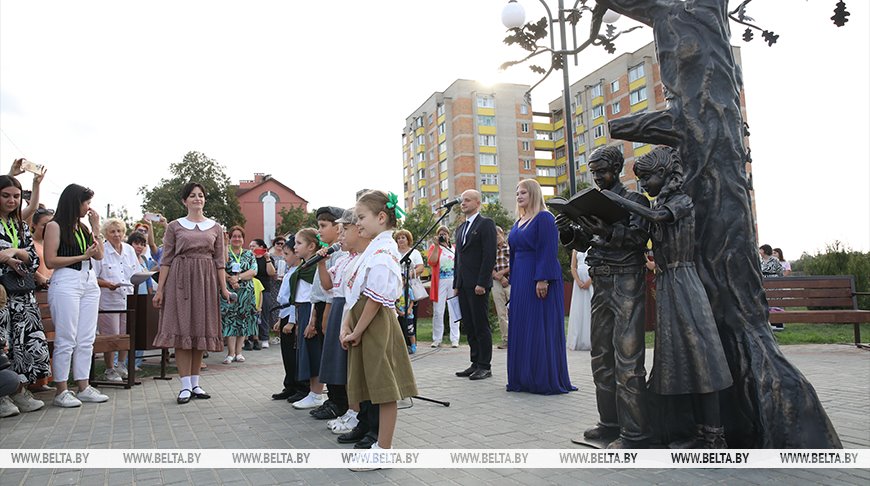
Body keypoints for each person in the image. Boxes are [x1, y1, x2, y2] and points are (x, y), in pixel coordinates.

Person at [603, 146, 733, 448]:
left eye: (647, 178)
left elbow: (658, 216)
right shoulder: (663, 199)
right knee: (681, 360)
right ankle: (695, 430)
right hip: (667, 284)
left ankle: (715, 435)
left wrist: (618, 199)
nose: (644, 186)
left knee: (701, 357)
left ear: (664, 174)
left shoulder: (681, 201)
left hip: (684, 281)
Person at [556, 145, 651, 448]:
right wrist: (569, 232)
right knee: (601, 358)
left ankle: (635, 432)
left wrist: (609, 232)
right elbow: (587, 243)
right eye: (593, 171)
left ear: (617, 168)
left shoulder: (634, 200)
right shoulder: (594, 201)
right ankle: (609, 423)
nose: (597, 176)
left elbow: (639, 239)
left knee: (628, 360)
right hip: (601, 282)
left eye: (601, 170)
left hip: (626, 280)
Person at [340, 190, 418, 455]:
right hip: (366, 322)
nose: (357, 223)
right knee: (376, 385)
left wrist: (357, 330)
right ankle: (380, 443)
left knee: (385, 388)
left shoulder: (384, 250)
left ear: (381, 217)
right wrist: (348, 325)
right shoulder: (375, 247)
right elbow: (357, 294)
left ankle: (385, 448)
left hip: (375, 324)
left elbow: (375, 299)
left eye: (362, 217)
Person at [152, 182, 230, 404]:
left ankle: (196, 383)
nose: (198, 198)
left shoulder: (215, 227)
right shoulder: (175, 226)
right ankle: (184, 385)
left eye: (201, 195)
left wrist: (223, 288)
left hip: (205, 281)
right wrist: (160, 290)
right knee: (182, 328)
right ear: (184, 201)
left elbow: (219, 261)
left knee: (200, 331)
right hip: (180, 280)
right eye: (193, 196)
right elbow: (165, 260)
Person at [506, 179, 574, 394]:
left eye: (523, 192)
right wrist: (513, 281)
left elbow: (548, 250)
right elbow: (514, 254)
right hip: (520, 279)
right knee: (522, 326)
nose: (519, 196)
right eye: (517, 192)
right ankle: (523, 378)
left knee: (538, 327)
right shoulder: (519, 221)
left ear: (534, 194)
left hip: (538, 278)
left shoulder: (544, 218)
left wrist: (542, 279)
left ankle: (542, 378)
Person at [43, 183, 108, 407]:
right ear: (75, 202)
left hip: (88, 280)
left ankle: (83, 386)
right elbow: (51, 260)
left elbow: (98, 255)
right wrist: (81, 257)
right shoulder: (54, 225)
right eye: (86, 202)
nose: (88, 207)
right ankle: (61, 389)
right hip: (66, 281)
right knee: (66, 337)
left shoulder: (83, 228)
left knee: (86, 337)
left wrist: (96, 228)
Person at [0, 175, 50, 413]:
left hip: (22, 294)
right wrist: (6, 257)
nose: (12, 201)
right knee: (4, 343)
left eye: (16, 196)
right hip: (1, 295)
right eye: (6, 195)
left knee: (26, 343)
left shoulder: (19, 224)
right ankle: (3, 395)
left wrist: (16, 251)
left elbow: (32, 257)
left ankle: (20, 391)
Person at [320, 209, 362, 432]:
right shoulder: (345, 260)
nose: (341, 235)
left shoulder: (362, 259)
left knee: (351, 366)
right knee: (342, 364)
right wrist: (320, 263)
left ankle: (356, 411)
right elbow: (328, 285)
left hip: (350, 309)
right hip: (340, 308)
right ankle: (351, 410)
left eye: (345, 230)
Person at [453, 190, 497, 380]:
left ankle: (485, 365)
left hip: (478, 284)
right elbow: (458, 258)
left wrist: (482, 282)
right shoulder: (461, 228)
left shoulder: (486, 224)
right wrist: (456, 283)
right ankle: (474, 362)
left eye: (468, 200)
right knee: (469, 325)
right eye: (462, 200)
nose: (463, 203)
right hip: (463, 284)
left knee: (480, 325)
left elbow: (489, 255)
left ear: (478, 202)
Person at [307, 206, 344, 419]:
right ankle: (333, 399)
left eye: (323, 226)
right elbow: (317, 287)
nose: (319, 230)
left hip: (332, 307)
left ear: (337, 227)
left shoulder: (338, 253)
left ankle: (339, 402)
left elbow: (332, 288)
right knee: (326, 356)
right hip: (322, 306)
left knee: (333, 357)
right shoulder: (327, 251)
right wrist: (315, 315)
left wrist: (325, 313)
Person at [93, 218, 138, 382]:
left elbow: (136, 272)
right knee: (111, 336)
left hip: (128, 298)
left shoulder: (129, 250)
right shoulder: (101, 251)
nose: (117, 235)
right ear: (106, 234)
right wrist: (107, 284)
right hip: (108, 301)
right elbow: (93, 278)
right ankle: (109, 369)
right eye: (112, 232)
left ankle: (121, 365)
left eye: (119, 231)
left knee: (125, 334)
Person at [271, 235, 309, 404]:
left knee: (294, 354)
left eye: (287, 254)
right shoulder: (289, 272)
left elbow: (295, 300)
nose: (284, 258)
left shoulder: (299, 272)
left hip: (293, 317)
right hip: (285, 314)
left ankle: (301, 386)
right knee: (286, 354)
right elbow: (284, 298)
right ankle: (290, 385)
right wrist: (281, 319)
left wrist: (292, 321)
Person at [289, 228, 324, 410]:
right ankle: (312, 392)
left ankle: (317, 393)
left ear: (311, 246)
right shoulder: (304, 265)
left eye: (299, 243)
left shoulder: (313, 267)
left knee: (313, 353)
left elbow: (314, 295)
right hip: (302, 310)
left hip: (310, 311)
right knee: (306, 352)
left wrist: (312, 320)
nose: (295, 247)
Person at [221, 226, 258, 364]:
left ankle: (239, 352)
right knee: (230, 321)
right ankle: (230, 353)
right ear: (230, 238)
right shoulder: (225, 252)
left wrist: (239, 278)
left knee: (244, 320)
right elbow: (220, 268)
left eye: (239, 236)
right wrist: (230, 279)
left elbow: (254, 270)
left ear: (243, 239)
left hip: (245, 293)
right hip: (229, 292)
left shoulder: (249, 254)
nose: (237, 239)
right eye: (234, 236)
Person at [394, 229, 423, 353]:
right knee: (397, 316)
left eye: (403, 237)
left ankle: (412, 343)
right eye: (399, 238)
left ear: (408, 239)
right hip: (396, 287)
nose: (401, 240)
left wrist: (409, 274)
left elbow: (421, 267)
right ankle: (400, 344)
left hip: (410, 286)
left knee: (411, 315)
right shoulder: (394, 253)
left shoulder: (414, 252)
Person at [427, 226, 457, 348]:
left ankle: (455, 339)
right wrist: (436, 246)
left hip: (453, 282)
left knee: (454, 310)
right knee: (438, 311)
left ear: (449, 236)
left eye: (445, 233)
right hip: (440, 282)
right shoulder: (434, 247)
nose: (443, 235)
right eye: (440, 233)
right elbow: (432, 262)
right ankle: (437, 338)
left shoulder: (454, 248)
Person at [248, 238, 277, 350]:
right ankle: (250, 338)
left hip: (264, 289)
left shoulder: (267, 258)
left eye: (254, 246)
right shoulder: (249, 258)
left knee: (264, 313)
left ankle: (264, 338)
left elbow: (271, 273)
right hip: (251, 289)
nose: (251, 248)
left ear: (262, 247)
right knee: (250, 314)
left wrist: (268, 259)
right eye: (250, 246)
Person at [568, 249, 593, 351]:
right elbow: (573, 267)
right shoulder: (575, 249)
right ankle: (576, 340)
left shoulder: (594, 246)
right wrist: (578, 281)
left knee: (590, 308)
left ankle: (591, 340)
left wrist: (590, 281)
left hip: (591, 280)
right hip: (579, 282)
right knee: (578, 309)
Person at [491, 226, 511, 349]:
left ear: (503, 234)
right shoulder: (490, 250)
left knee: (514, 310)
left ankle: (517, 338)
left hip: (510, 280)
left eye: (498, 234)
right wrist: (498, 276)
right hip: (496, 282)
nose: (497, 237)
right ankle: (506, 339)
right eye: (494, 235)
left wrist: (503, 274)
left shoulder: (510, 247)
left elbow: (515, 263)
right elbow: (488, 265)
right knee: (501, 312)